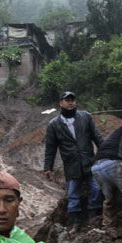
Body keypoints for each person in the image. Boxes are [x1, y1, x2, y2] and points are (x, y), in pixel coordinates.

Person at [43, 91, 105, 227]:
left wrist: (107, 151)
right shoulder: (54, 124)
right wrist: (48, 167)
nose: (70, 102)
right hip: (71, 165)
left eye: (72, 100)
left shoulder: (85, 117)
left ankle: (93, 214)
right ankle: (75, 220)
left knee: (96, 188)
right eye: (67, 100)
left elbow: (97, 136)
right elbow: (50, 148)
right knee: (73, 194)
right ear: (61, 103)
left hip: (89, 161)